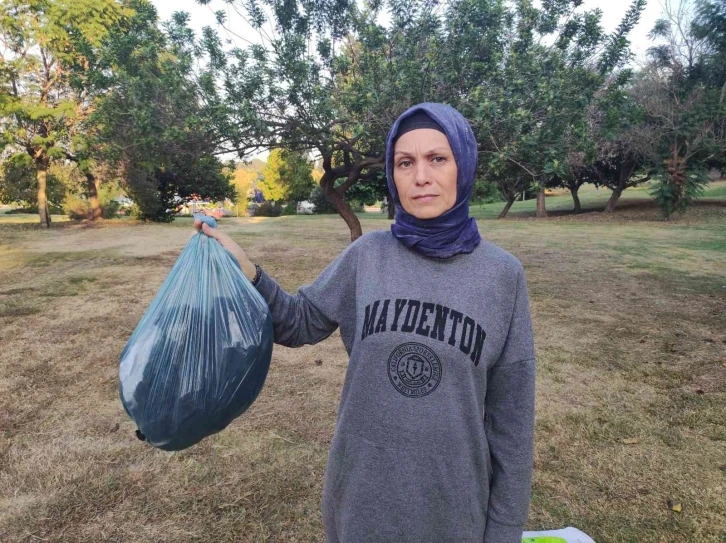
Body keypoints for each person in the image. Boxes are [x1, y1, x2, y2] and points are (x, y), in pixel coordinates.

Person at [194, 103, 536, 543]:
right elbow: (299, 322)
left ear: (463, 165)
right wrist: (250, 274)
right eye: (405, 162)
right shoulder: (368, 255)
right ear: (392, 174)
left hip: (451, 509)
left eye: (438, 158)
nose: (421, 177)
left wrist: (505, 530)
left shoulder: (503, 276)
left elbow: (512, 424)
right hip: (360, 498)